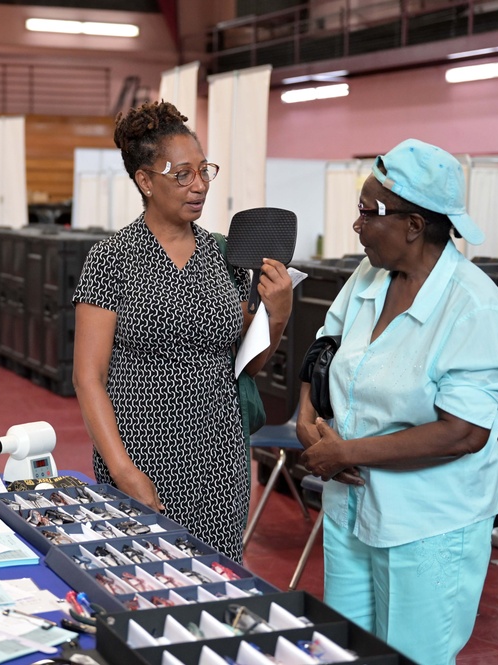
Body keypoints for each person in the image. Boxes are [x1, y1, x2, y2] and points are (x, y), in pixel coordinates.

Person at [295, 138, 498, 665]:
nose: (355, 224)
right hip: (351, 505)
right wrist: (307, 416)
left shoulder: (476, 307)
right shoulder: (368, 275)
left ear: (413, 225)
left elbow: (464, 432)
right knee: (344, 648)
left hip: (427, 522)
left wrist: (345, 454)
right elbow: (326, 345)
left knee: (413, 654)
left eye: (367, 212)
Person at [71, 101, 293, 562]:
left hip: (220, 457)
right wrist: (122, 469)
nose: (199, 186)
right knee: (137, 581)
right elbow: (87, 377)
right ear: (146, 181)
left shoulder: (224, 256)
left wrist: (279, 314)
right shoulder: (112, 259)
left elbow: (248, 365)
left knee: (215, 583)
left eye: (204, 172)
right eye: (183, 174)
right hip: (141, 456)